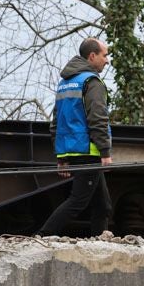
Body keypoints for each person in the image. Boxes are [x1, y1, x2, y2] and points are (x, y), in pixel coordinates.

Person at [39, 37, 113, 236]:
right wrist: (105, 152)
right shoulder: (92, 82)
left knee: (103, 205)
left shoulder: (65, 83)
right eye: (105, 56)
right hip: (89, 151)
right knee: (78, 201)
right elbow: (98, 119)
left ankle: (101, 241)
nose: (107, 61)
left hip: (74, 150)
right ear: (92, 56)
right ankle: (42, 235)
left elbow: (57, 122)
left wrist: (61, 157)